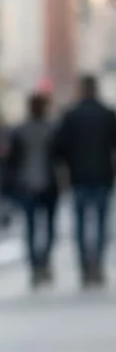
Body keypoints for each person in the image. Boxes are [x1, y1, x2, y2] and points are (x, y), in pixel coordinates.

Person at [54, 75, 116, 286]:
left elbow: (59, 148)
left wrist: (66, 167)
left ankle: (84, 267)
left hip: (78, 176)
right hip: (103, 175)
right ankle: (97, 265)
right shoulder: (107, 114)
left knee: (81, 225)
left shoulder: (71, 116)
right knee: (100, 224)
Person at [6, 94, 59, 287]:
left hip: (34, 183)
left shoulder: (23, 131)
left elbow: (11, 161)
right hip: (38, 183)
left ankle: (38, 264)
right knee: (44, 227)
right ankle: (40, 263)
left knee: (34, 228)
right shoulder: (50, 129)